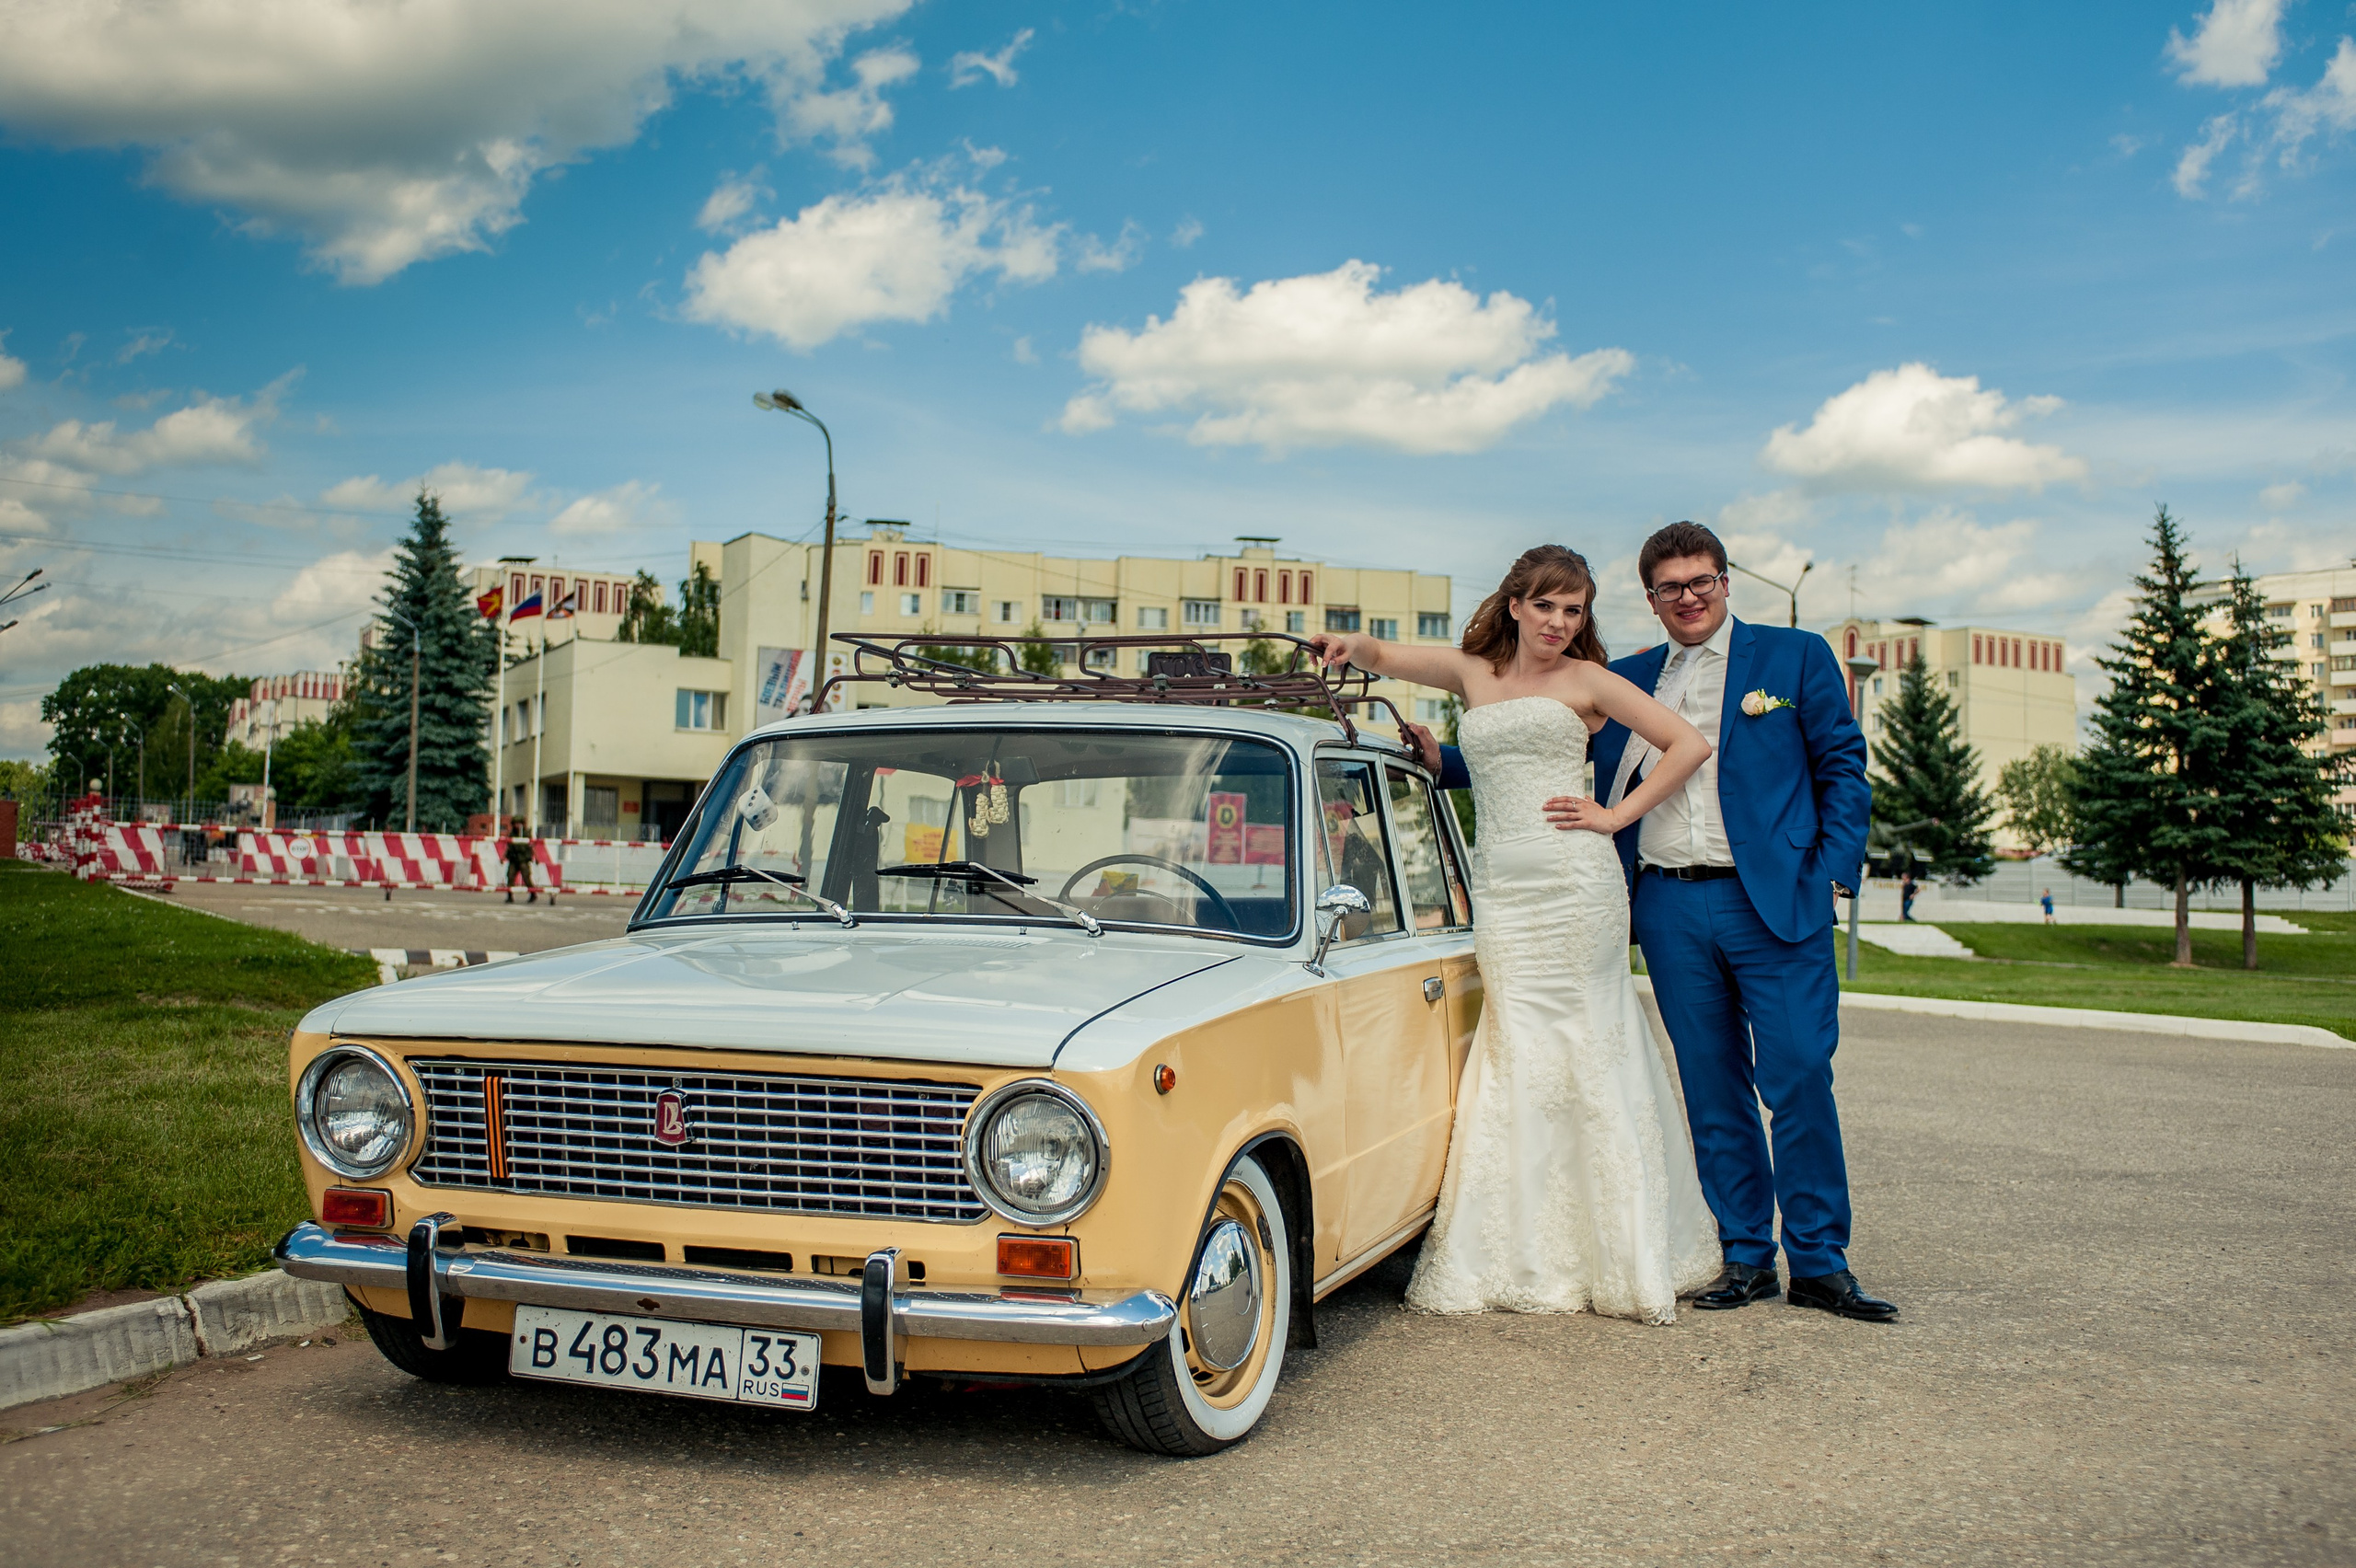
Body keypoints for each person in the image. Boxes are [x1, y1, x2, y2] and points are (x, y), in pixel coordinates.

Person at [1420, 521, 1895, 1323]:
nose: (1689, 596)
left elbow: (1843, 767)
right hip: (1668, 903)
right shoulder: (1620, 674)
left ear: (1725, 581)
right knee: (1711, 1084)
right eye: (1671, 586)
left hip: (1775, 900)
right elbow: (1539, 745)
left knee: (1801, 1072)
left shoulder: (1795, 658)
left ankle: (1820, 1259)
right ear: (1650, 598)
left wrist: (1833, 875)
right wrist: (1444, 763)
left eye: (1702, 581)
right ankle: (1746, 1255)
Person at [1311, 544, 1722, 1324]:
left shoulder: (1591, 681)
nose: (1559, 624)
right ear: (1515, 606)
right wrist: (1346, 649)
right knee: (1519, 1046)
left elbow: (1691, 745)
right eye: (1546, 607)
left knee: (1589, 1043)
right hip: (1501, 892)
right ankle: (1521, 1247)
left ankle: (1621, 1248)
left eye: (1574, 611)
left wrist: (1615, 816)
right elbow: (1387, 656)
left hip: (1575, 888)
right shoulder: (1475, 672)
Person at [503, 823, 537, 905]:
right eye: (516, 824)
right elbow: (508, 847)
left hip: (523, 860)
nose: (517, 826)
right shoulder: (512, 834)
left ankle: (533, 894)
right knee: (510, 877)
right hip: (514, 859)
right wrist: (503, 857)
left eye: (519, 824)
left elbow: (531, 846)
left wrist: (536, 857)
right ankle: (509, 896)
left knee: (527, 878)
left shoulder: (526, 834)